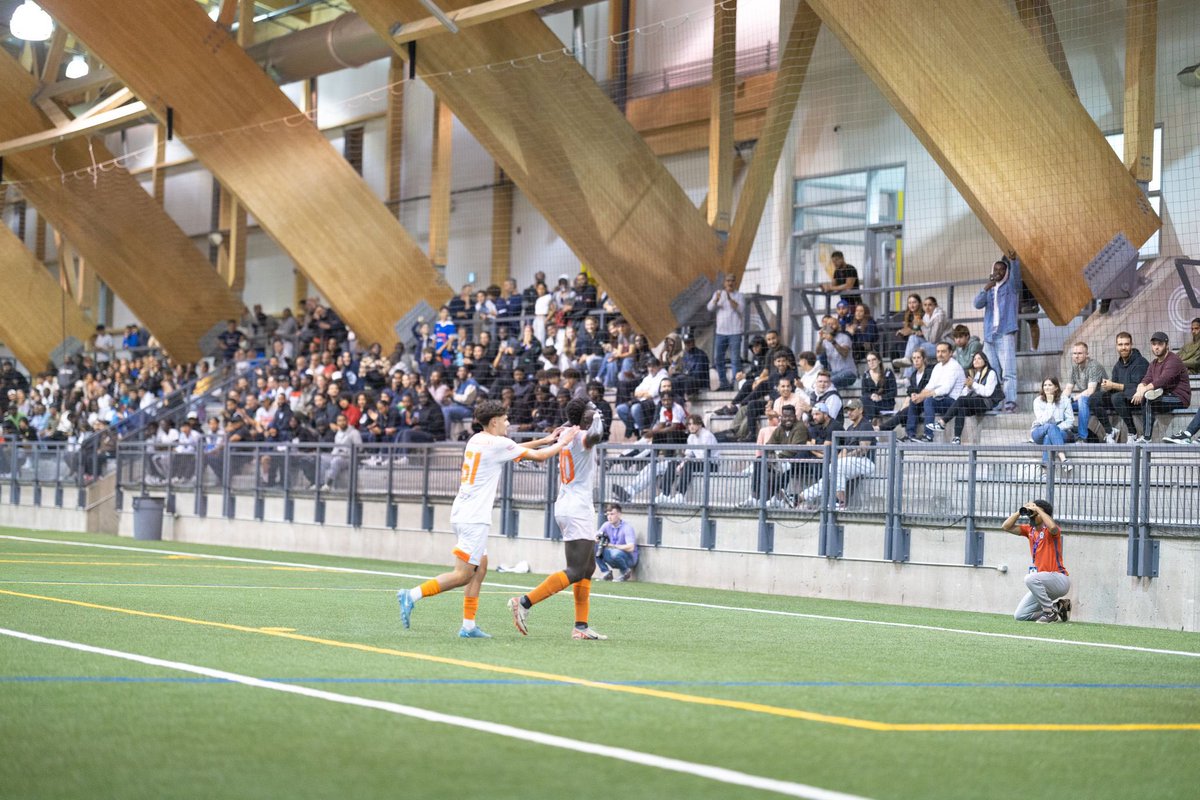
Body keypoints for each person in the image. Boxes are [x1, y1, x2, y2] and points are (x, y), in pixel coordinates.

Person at [398, 401, 575, 638]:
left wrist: (545, 439)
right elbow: (540, 458)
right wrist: (562, 443)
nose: (508, 423)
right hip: (474, 518)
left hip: (462, 512)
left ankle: (469, 626)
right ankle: (411, 595)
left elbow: (512, 448)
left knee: (479, 569)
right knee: (463, 574)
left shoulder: (477, 439)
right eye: (505, 419)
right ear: (494, 422)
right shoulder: (499, 444)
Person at [508, 397, 607, 640]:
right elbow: (597, 436)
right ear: (584, 417)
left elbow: (575, 424)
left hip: (572, 505)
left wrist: (583, 416)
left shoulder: (567, 432)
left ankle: (581, 627)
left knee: (588, 567)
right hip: (576, 508)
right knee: (575, 569)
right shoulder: (583, 436)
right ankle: (524, 602)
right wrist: (597, 418)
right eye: (591, 410)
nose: (596, 412)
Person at [1001, 499, 1071, 623]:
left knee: (1029, 578)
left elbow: (1053, 527)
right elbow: (1005, 526)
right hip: (1042, 584)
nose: (1031, 515)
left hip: (1059, 579)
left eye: (1035, 513)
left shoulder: (1051, 531)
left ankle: (1049, 612)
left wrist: (1038, 509)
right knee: (1020, 615)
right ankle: (1057, 608)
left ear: (1044, 515)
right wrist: (1020, 511)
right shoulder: (1030, 531)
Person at [973, 258, 1021, 412]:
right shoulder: (990, 290)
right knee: (992, 372)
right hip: (989, 337)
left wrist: (1014, 261)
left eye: (1002, 269)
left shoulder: (1010, 287)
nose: (998, 272)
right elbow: (977, 303)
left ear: (1006, 272)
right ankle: (995, 402)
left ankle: (1010, 403)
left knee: (1008, 371)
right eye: (996, 269)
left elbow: (1016, 277)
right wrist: (986, 287)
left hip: (1005, 334)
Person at [1131, 331, 1191, 443]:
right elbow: (1146, 379)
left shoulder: (1173, 360)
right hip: (1165, 396)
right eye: (1154, 344)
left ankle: (1146, 438)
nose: (1156, 347)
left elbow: (1163, 380)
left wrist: (1143, 390)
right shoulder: (1153, 363)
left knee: (1148, 399)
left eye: (1160, 344)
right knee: (1146, 396)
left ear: (1167, 345)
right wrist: (1139, 389)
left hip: (1179, 398)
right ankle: (1145, 436)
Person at [1091, 331, 1150, 444]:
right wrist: (1108, 387)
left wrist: (1113, 385)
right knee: (1094, 398)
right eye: (1120, 344)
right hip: (1120, 400)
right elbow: (1116, 388)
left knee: (1117, 397)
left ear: (1131, 345)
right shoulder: (1117, 365)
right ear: (1116, 346)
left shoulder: (1140, 362)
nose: (1123, 347)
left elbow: (1137, 387)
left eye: (1126, 344)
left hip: (1137, 399)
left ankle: (1132, 433)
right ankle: (1110, 431)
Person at [939, 351, 998, 444]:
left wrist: (973, 385)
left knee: (962, 400)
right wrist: (969, 387)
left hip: (985, 403)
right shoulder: (973, 375)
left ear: (985, 361)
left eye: (979, 358)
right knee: (961, 408)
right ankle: (957, 437)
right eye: (974, 359)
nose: (976, 361)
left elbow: (988, 392)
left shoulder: (991, 373)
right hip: (974, 402)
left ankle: (943, 422)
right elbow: (965, 393)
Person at [915, 342, 965, 441]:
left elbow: (945, 390)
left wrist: (924, 396)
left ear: (950, 353)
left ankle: (928, 436)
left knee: (928, 400)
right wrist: (919, 396)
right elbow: (930, 385)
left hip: (953, 402)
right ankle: (910, 435)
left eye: (943, 351)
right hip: (942, 400)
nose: (940, 354)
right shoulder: (938, 366)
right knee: (914, 402)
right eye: (938, 351)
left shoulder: (954, 366)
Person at [1062, 342, 1107, 442]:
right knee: (1061, 404)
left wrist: (1073, 398)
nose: (1076, 356)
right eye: (1074, 353)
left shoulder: (1094, 366)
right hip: (1085, 401)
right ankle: (1061, 430)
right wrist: (1060, 401)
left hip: (1100, 400)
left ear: (1087, 354)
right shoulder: (1074, 367)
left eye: (1079, 353)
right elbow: (1068, 389)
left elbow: (1091, 391)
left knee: (1081, 400)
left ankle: (1082, 437)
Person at [707, 274, 744, 391]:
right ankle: (723, 383)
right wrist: (716, 299)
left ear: (735, 283)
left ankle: (735, 383)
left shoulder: (739, 295)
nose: (730, 283)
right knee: (718, 358)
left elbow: (740, 309)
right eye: (728, 281)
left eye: (732, 281)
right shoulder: (718, 294)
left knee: (735, 359)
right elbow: (709, 308)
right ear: (724, 283)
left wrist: (728, 298)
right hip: (721, 332)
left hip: (735, 332)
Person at [1031, 377, 1073, 471]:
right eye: (1045, 385)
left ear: (1056, 387)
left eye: (1050, 385)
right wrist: (1049, 403)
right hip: (1039, 430)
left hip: (1061, 431)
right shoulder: (1037, 401)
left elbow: (1070, 421)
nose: (1047, 387)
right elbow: (1042, 421)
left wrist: (1055, 429)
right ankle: (1063, 460)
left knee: (1048, 436)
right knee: (1049, 428)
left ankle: (1046, 465)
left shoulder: (1064, 400)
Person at [594, 503, 638, 581]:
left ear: (619, 514)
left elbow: (631, 548)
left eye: (612, 514)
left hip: (629, 558)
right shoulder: (606, 525)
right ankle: (606, 572)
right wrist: (597, 539)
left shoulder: (627, 528)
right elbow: (595, 536)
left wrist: (612, 546)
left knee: (615, 553)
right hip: (612, 554)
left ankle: (625, 572)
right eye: (607, 514)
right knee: (593, 546)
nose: (609, 517)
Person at [859, 351, 896, 422]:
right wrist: (871, 396)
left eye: (874, 359)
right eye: (869, 361)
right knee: (864, 399)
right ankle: (870, 421)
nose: (871, 362)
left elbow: (894, 392)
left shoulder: (888, 373)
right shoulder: (866, 375)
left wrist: (880, 397)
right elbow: (864, 393)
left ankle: (869, 423)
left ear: (879, 361)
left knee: (865, 404)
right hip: (871, 402)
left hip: (886, 403)